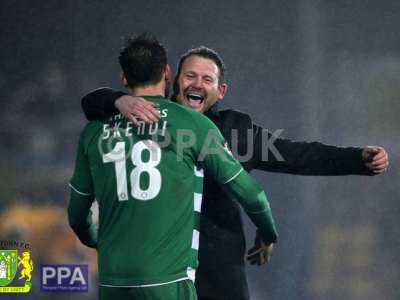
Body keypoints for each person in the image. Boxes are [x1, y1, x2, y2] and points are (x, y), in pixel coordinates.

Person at [81, 46, 389, 300]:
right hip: (159, 270)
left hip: (219, 269)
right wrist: (117, 99)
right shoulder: (142, 117)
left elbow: (298, 156)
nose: (197, 84)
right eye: (190, 76)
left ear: (221, 91)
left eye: (207, 79)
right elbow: (92, 103)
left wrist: (357, 159)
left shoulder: (236, 132)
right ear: (173, 81)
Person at [68, 33, 278, 300]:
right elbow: (252, 195)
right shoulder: (193, 124)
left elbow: (77, 214)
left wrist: (96, 240)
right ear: (168, 73)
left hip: (113, 283)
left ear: (124, 78)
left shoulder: (93, 132)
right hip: (168, 282)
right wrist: (268, 232)